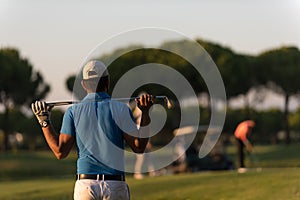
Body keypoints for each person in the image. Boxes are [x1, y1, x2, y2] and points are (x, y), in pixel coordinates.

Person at [31, 60, 154, 200]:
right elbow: (139, 147)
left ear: (83, 84)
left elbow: (60, 152)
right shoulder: (121, 109)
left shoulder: (72, 112)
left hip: (85, 185)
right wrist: (145, 113)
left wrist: (44, 121)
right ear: (107, 82)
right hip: (115, 184)